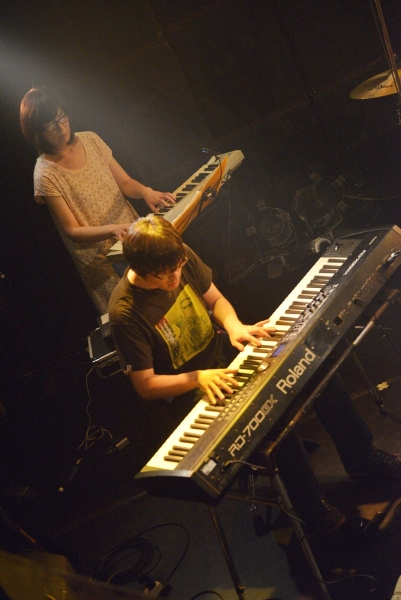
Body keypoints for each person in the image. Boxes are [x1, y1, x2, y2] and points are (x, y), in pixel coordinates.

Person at [109, 214, 401, 534]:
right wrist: (198, 377)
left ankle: (363, 459)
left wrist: (234, 326)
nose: (175, 277)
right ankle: (314, 511)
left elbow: (215, 299)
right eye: (165, 275)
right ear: (139, 268)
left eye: (178, 268)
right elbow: (145, 385)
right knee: (271, 416)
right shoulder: (125, 312)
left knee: (315, 367)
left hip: (225, 359)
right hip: (192, 391)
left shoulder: (176, 253)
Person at [20, 86, 176, 315]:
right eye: (50, 125)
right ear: (37, 132)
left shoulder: (90, 140)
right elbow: (72, 230)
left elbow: (125, 183)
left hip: (134, 240)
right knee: (137, 316)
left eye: (62, 118)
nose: (61, 128)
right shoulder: (45, 173)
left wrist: (145, 191)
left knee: (167, 301)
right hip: (102, 261)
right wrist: (113, 229)